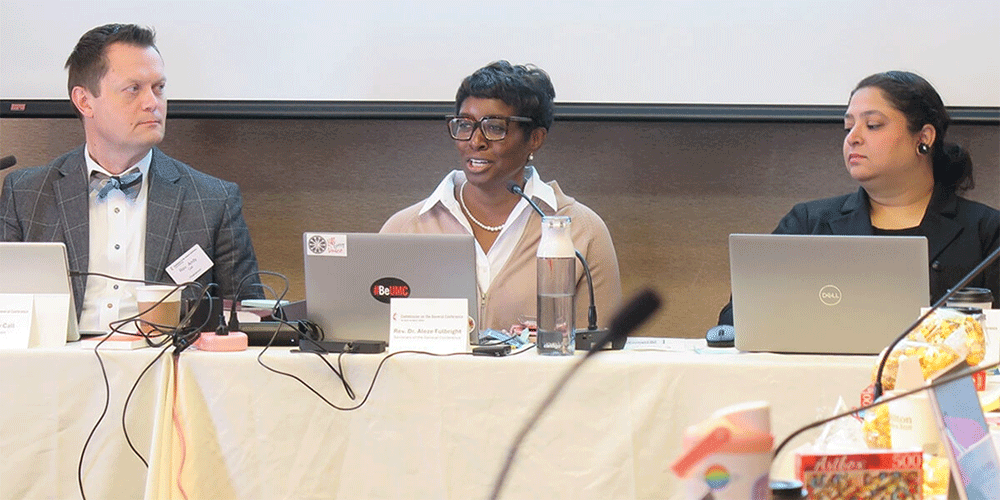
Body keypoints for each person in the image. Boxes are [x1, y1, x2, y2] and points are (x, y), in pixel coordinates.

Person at [1, 24, 262, 333]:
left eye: (159, 88)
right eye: (133, 89)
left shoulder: (213, 200)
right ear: (84, 101)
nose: (153, 102)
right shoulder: (26, 194)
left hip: (167, 371)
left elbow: (249, 319)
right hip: (59, 370)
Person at [718, 71, 999, 325]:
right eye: (848, 127)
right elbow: (737, 320)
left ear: (923, 137)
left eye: (873, 125)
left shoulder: (986, 231)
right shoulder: (808, 224)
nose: (853, 138)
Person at [380, 61, 622, 333]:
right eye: (464, 125)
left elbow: (603, 354)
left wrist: (547, 344)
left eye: (494, 127)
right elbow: (373, 341)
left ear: (535, 139)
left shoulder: (581, 231)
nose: (475, 141)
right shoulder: (405, 229)